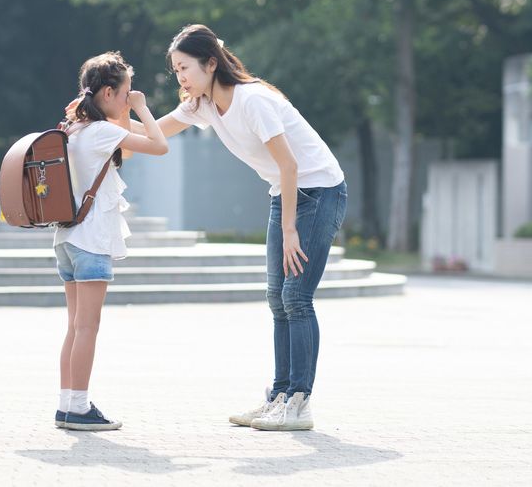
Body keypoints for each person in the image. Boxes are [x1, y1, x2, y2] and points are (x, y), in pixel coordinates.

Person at [118, 24, 346, 431]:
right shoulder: (203, 104)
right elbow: (155, 134)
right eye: (175, 71)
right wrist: (104, 120)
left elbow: (291, 164)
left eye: (185, 68)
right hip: (286, 192)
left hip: (320, 190)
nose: (181, 78)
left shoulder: (253, 100)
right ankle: (279, 396)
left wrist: (290, 229)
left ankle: (299, 403)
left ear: (210, 63)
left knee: (296, 297)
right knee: (277, 299)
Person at [54, 52, 168, 431]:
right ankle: (80, 407)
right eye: (125, 93)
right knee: (87, 328)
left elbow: (128, 150)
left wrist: (121, 111)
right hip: (92, 240)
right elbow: (158, 145)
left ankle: (67, 403)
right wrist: (143, 109)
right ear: (107, 92)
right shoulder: (102, 132)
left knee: (74, 327)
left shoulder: (75, 130)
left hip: (68, 237)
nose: (129, 99)